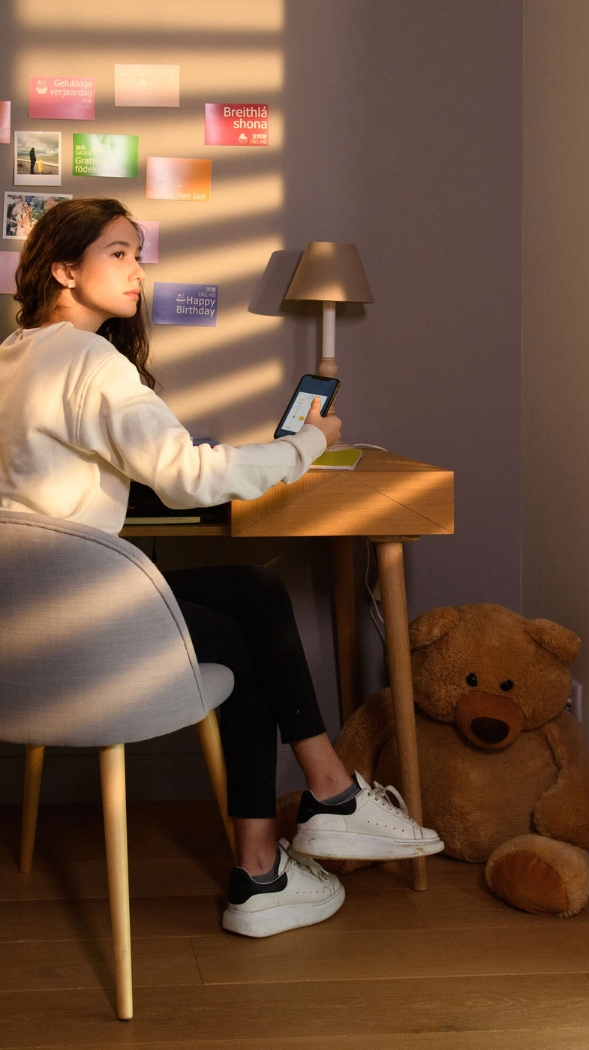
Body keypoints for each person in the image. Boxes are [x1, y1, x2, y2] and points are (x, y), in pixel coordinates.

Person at [0, 198, 443, 938]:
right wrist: (306, 443)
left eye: (139, 254)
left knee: (250, 588)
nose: (137, 271)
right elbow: (190, 481)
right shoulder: (89, 360)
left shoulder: (13, 356)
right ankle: (268, 864)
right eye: (119, 254)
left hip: (25, 630)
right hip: (86, 632)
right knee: (240, 641)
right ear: (64, 270)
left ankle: (323, 800)